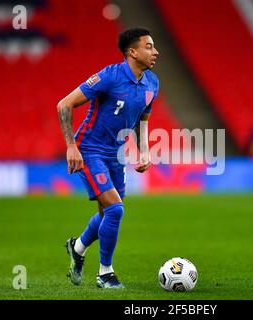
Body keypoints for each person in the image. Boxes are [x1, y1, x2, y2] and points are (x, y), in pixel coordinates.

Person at [56, 27, 159, 289]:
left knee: (107, 215)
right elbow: (64, 104)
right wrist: (71, 147)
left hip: (116, 154)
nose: (155, 51)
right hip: (89, 150)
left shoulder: (152, 83)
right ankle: (105, 274)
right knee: (115, 209)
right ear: (131, 52)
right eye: (148, 46)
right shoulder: (109, 77)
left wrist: (144, 150)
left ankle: (77, 248)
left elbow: (142, 119)